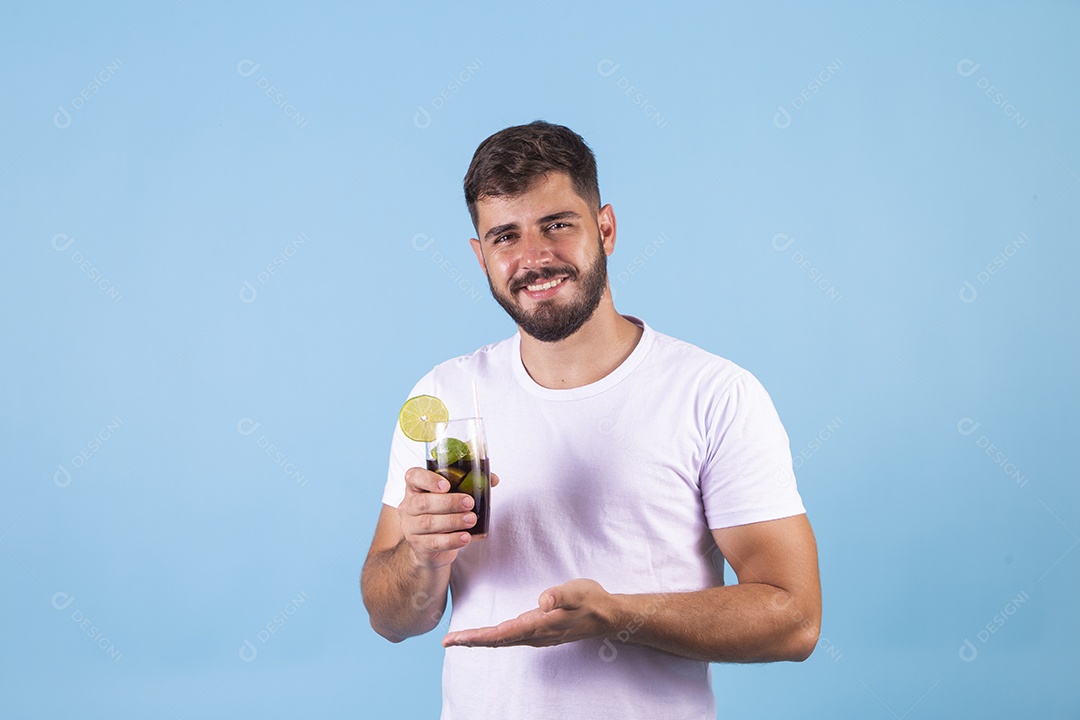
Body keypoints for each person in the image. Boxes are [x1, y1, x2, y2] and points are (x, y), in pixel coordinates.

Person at [361, 121, 821, 719]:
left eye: (557, 225)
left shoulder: (714, 394)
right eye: (505, 236)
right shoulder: (445, 398)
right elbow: (390, 619)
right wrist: (421, 557)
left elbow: (794, 618)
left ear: (605, 228)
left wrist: (615, 615)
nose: (533, 258)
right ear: (480, 256)